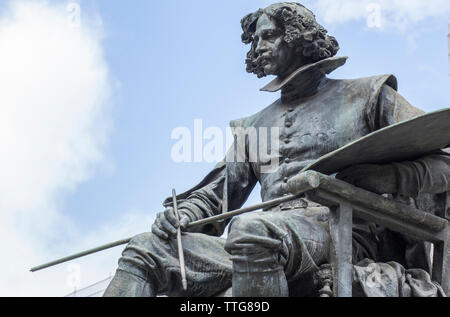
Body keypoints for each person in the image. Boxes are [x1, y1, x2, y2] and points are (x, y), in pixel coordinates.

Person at [104, 2, 450, 297]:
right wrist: (184, 215)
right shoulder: (253, 126)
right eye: (254, 40)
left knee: (252, 230)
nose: (258, 47)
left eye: (268, 36)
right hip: (263, 238)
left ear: (299, 37)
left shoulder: (369, 95)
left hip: (341, 233)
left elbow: (444, 163)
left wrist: (385, 177)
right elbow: (216, 196)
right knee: (144, 249)